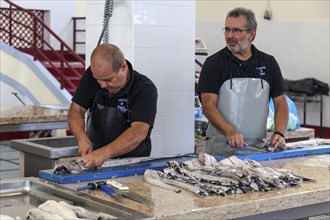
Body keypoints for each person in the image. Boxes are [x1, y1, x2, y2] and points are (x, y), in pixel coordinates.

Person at [197, 7, 288, 155]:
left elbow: (281, 102)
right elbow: (208, 106)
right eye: (227, 30)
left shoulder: (268, 63)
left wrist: (279, 132)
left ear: (252, 34)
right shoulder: (214, 63)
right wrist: (229, 131)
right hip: (219, 151)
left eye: (236, 31)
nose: (230, 36)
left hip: (256, 151)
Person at [68, 44, 158, 168]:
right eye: (98, 80)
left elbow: (138, 132)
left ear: (123, 67)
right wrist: (81, 137)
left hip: (132, 165)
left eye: (108, 80)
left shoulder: (144, 89)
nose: (102, 85)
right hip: (94, 162)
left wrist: (104, 153)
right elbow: (75, 110)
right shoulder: (92, 76)